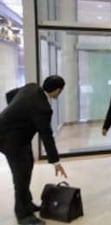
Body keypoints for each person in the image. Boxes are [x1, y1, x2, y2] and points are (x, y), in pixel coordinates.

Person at [0, 75, 68, 225]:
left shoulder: (31, 87)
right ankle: (23, 215)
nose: (60, 93)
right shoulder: (43, 108)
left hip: (16, 136)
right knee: (21, 177)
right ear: (57, 90)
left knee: (28, 164)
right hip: (10, 140)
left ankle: (27, 203)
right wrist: (56, 162)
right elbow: (46, 136)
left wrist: (16, 115)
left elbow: (10, 95)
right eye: (60, 91)